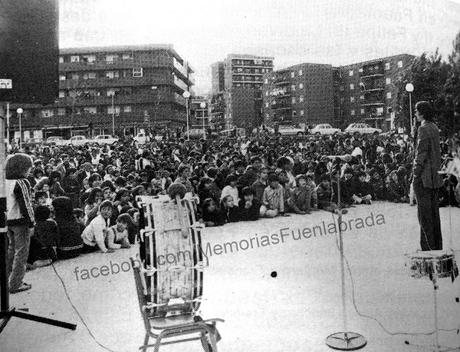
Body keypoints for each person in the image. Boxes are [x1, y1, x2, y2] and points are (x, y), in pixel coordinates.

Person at [412, 101, 443, 251]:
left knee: (424, 217)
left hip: (423, 178)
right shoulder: (434, 127)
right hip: (435, 178)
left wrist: (415, 173)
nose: (415, 114)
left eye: (416, 111)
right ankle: (437, 247)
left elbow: (421, 154)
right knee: (434, 216)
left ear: (422, 112)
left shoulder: (423, 128)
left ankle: (427, 250)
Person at [5, 153, 35, 293]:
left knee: (11, 251)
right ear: (22, 168)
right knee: (21, 253)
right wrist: (31, 223)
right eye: (28, 168)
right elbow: (26, 205)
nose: (30, 171)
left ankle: (5, 280)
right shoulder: (22, 182)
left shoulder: (5, 181)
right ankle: (15, 283)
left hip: (7, 221)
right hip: (20, 221)